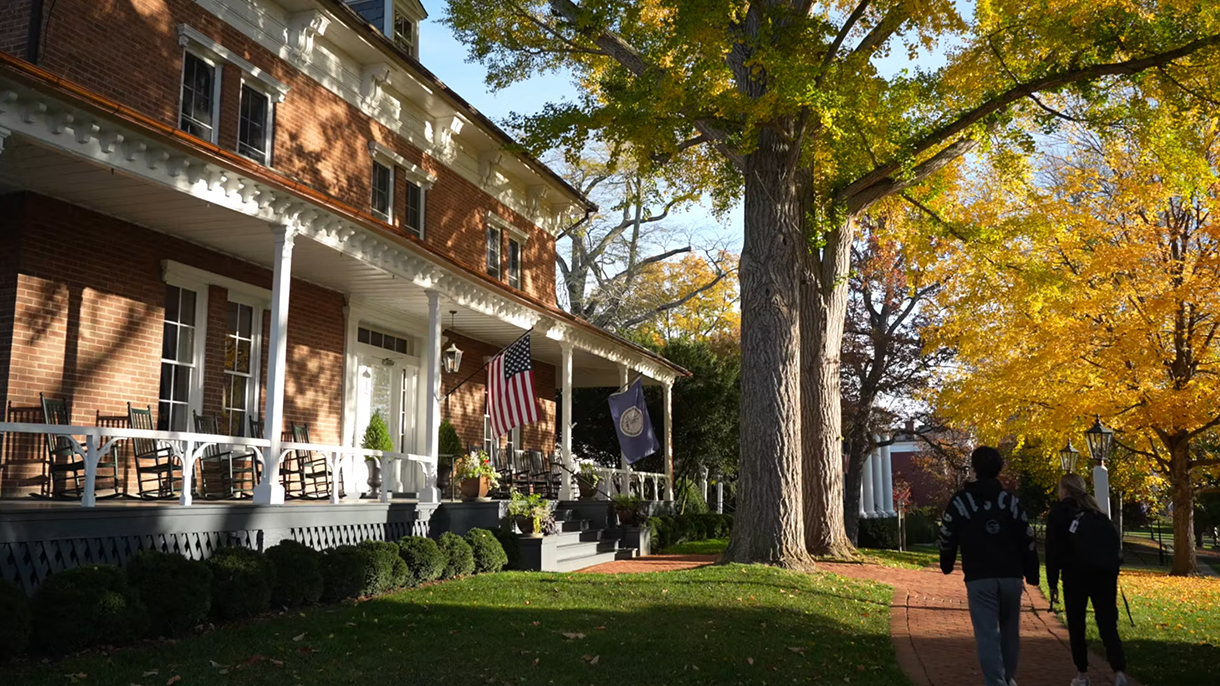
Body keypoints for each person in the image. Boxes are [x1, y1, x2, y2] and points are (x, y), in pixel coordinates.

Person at [939, 446, 1040, 686]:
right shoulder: (1010, 502)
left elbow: (947, 533)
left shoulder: (961, 502)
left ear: (974, 469)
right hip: (1011, 576)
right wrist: (1032, 572)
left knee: (987, 635)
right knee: (1009, 632)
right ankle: (1007, 677)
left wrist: (947, 563)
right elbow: (1026, 537)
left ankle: (996, 682)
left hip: (980, 577)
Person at [1045, 473, 1129, 686]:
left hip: (1076, 575)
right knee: (1107, 622)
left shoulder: (1060, 513)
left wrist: (1052, 582)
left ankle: (1082, 673)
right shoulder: (1097, 512)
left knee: (1077, 624)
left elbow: (1053, 551)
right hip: (1104, 575)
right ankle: (1119, 671)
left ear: (1064, 489)